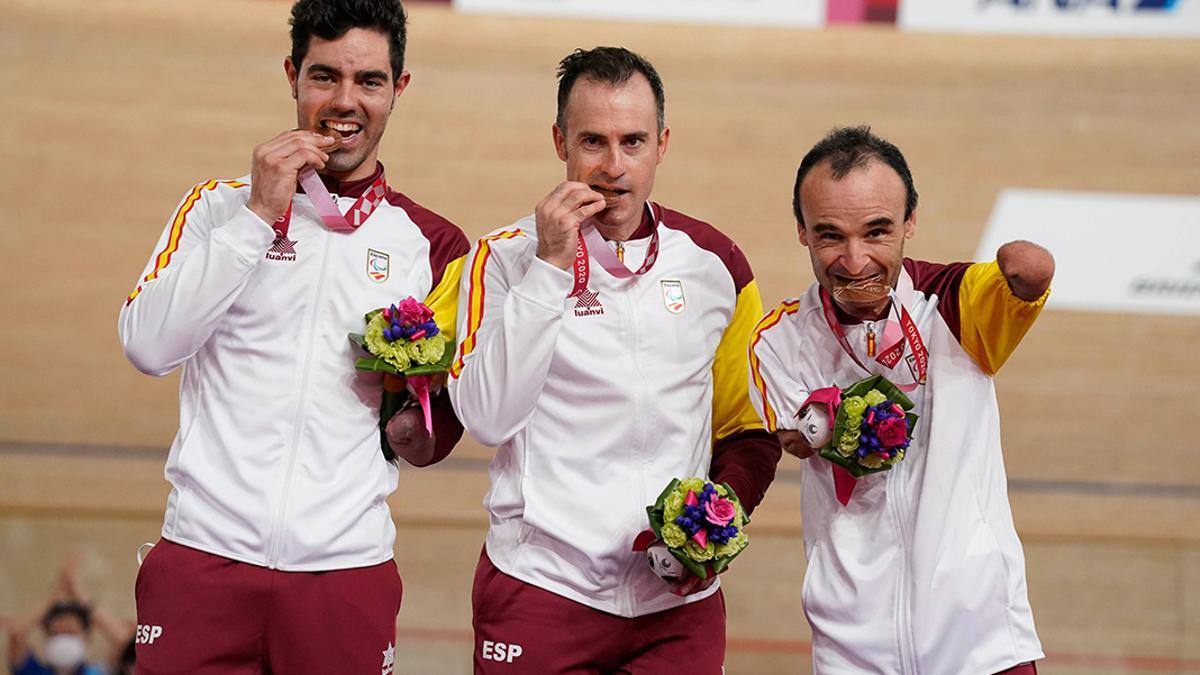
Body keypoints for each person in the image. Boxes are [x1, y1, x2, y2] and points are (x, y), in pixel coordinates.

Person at [117, 1, 469, 672]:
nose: (344, 101)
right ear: (291, 76)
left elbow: (438, 431)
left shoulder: (435, 246)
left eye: (368, 81)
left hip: (345, 572)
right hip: (202, 560)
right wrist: (257, 215)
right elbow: (148, 346)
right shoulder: (216, 208)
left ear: (399, 88)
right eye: (324, 76)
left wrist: (409, 420)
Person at [448, 46, 782, 674]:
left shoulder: (715, 265)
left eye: (633, 142)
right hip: (542, 590)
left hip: (677, 608)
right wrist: (549, 268)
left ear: (663, 143)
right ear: (559, 142)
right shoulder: (503, 259)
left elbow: (747, 428)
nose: (613, 167)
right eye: (592, 142)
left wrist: (711, 532)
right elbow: (488, 419)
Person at [748, 125, 1053, 674]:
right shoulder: (779, 340)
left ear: (911, 220)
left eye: (877, 231)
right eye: (829, 235)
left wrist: (1024, 271)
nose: (855, 259)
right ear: (801, 231)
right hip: (853, 651)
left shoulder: (956, 306)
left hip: (981, 644)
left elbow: (1029, 276)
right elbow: (794, 437)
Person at [6, 554, 134, 675]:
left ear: (86, 637)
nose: (63, 639)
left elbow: (126, 642)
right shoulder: (34, 672)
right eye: (55, 633)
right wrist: (58, 590)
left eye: (70, 632)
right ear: (46, 637)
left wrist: (78, 592)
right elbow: (16, 633)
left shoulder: (99, 672)